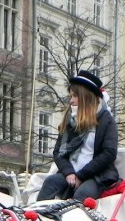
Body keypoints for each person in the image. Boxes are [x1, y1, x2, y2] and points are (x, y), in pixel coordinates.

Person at [37, 70, 120, 202]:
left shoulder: (106, 120)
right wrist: (69, 172)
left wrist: (81, 175)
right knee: (50, 182)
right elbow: (58, 152)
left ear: (85, 97)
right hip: (70, 173)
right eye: (71, 96)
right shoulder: (70, 120)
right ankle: (35, 219)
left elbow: (109, 153)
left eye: (75, 96)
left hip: (97, 176)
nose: (71, 101)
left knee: (82, 195)